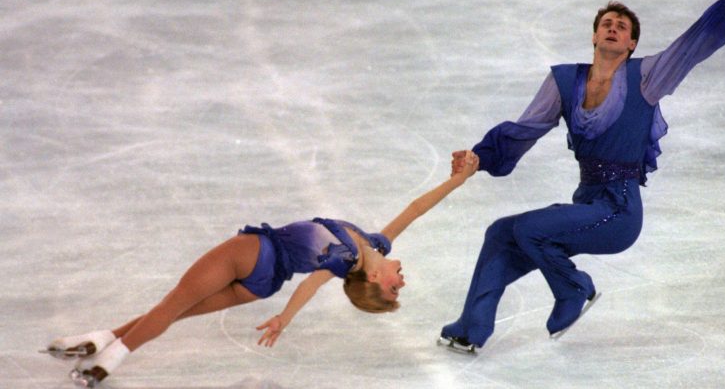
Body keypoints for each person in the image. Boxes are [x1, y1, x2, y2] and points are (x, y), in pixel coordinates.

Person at [438, 0, 725, 353]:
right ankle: (469, 328)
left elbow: (696, 43)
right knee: (501, 233)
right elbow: (523, 130)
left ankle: (575, 290)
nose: (613, 28)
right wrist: (479, 158)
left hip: (618, 212)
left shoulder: (647, 77)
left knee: (530, 231)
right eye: (606, 23)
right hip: (587, 204)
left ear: (632, 42)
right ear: (595, 35)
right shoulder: (565, 82)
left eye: (622, 26)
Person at [45, 152, 480, 387]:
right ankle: (100, 340)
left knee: (170, 305)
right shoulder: (375, 245)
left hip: (251, 256)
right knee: (172, 312)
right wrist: (459, 180)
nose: (401, 283)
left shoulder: (344, 256)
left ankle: (103, 366)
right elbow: (416, 209)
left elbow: (311, 284)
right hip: (262, 285)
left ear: (371, 280)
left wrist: (286, 319)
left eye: (393, 290)